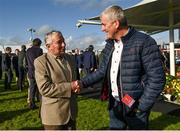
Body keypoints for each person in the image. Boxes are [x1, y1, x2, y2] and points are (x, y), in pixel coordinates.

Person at [77, 5, 165, 130]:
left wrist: (142, 106)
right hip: (115, 103)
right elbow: (102, 71)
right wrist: (82, 83)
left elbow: (157, 78)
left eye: (103, 24)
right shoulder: (110, 44)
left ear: (116, 24)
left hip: (135, 104)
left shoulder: (144, 41)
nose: (102, 29)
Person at [34, 30, 80, 130]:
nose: (64, 44)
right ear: (48, 46)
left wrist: (78, 87)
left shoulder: (70, 58)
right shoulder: (41, 62)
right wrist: (70, 87)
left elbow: (75, 80)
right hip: (54, 117)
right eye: (59, 42)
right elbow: (44, 88)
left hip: (71, 113)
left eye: (63, 41)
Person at [26, 38, 43, 109]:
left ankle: (31, 103)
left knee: (32, 88)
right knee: (39, 87)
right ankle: (39, 100)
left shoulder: (28, 50)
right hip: (37, 70)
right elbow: (41, 61)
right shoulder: (39, 50)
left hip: (30, 70)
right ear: (39, 44)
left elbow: (27, 61)